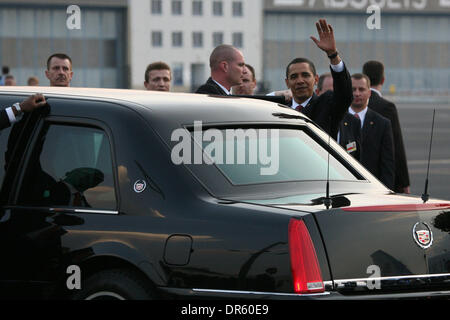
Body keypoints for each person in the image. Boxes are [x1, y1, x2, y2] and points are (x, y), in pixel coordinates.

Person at [284, 19, 353, 139]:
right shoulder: (280, 109)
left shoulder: (326, 105)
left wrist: (333, 55)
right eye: (294, 77)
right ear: (287, 83)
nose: (300, 81)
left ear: (316, 79)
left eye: (305, 75)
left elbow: (345, 95)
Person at [362, 60, 410, 194]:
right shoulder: (387, 107)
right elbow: (396, 146)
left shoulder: (353, 104)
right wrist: (404, 182)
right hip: (382, 176)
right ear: (382, 80)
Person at [341, 73, 394, 189]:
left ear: (369, 92)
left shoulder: (382, 124)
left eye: (361, 89)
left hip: (373, 187)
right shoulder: (338, 120)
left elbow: (387, 163)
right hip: (344, 186)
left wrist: (387, 191)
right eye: (353, 89)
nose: (357, 93)